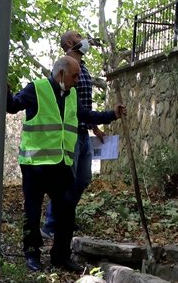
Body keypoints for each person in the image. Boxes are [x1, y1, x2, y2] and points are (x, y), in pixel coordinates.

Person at [42, 30, 124, 239]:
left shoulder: (82, 68)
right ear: (70, 42)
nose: (83, 39)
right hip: (70, 135)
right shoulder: (64, 69)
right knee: (66, 182)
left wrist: (95, 128)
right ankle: (51, 224)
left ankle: (65, 217)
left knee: (83, 180)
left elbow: (85, 105)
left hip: (84, 132)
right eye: (79, 36)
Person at [7, 55, 84, 273]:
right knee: (32, 212)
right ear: (61, 73)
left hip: (60, 164)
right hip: (35, 165)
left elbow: (85, 115)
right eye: (74, 76)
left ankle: (61, 257)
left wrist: (111, 115)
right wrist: (4, 87)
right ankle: (32, 255)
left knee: (67, 211)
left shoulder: (72, 94)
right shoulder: (37, 88)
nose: (77, 80)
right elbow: (12, 106)